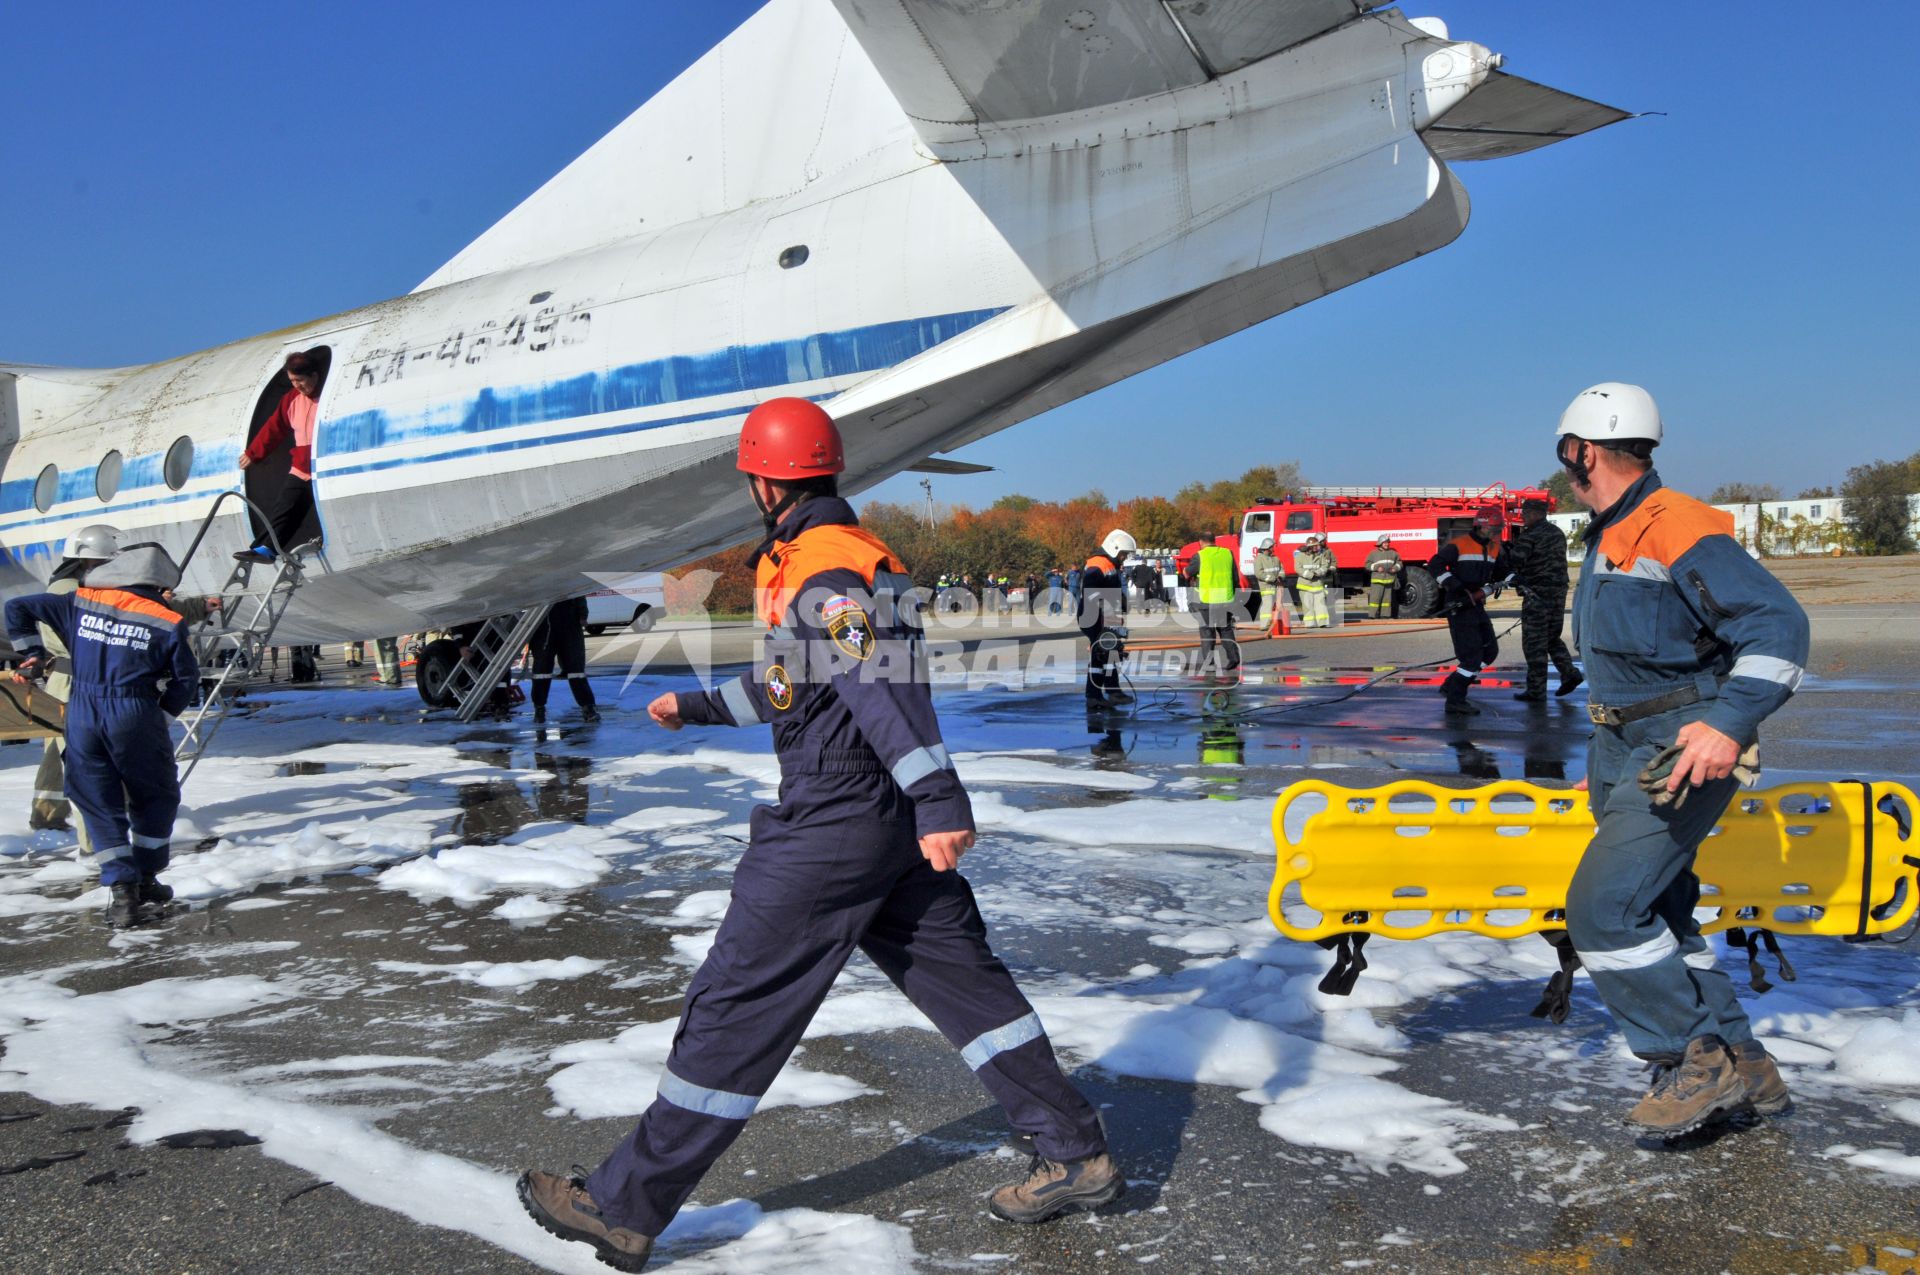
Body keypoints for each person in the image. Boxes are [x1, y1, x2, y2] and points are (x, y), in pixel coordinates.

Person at [517, 400, 1120, 1270]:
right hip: (881, 823)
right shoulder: (837, 559)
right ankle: (1076, 1151)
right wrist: (689, 704)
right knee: (970, 991)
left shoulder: (824, 576)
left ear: (766, 480)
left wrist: (941, 795)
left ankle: (621, 1205)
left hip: (835, 821)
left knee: (735, 1005)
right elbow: (787, 685)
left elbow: (878, 682)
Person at [1554, 381, 1807, 1137]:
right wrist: (1604, 742)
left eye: (1565, 454)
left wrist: (1729, 723)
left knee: (1601, 909)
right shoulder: (1612, 529)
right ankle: (1742, 1057)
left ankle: (1691, 1058)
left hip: (1681, 748)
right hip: (1622, 744)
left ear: (1581, 450)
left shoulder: (1677, 523)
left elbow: (1779, 626)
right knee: (1661, 909)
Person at [6, 541, 199, 927]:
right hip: (135, 712)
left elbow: (18, 608)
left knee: (96, 800)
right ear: (156, 583)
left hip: (83, 710)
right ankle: (146, 877)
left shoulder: (79, 602)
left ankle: (122, 894)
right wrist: (160, 714)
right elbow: (186, 680)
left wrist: (31, 654)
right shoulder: (166, 620)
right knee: (156, 795)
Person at [25, 524, 121, 847]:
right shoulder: (76, 590)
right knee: (84, 760)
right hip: (76, 682)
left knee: (56, 751)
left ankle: (47, 814)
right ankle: (92, 841)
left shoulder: (60, 585)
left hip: (61, 680)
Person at [236, 347, 330, 564]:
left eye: (300, 380)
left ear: (314, 376)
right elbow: (275, 427)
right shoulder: (291, 400)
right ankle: (266, 549)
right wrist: (254, 453)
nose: (297, 385)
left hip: (323, 463)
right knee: (284, 509)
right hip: (301, 467)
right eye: (292, 381)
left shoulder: (326, 398)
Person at [1428, 506, 1511, 716]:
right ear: (1480, 526)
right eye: (1493, 529)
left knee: (1490, 652)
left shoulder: (1493, 548)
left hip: (1477, 604)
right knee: (1472, 658)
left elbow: (1502, 571)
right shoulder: (1459, 545)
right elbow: (1435, 565)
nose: (1496, 533)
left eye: (1498, 529)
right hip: (1459, 604)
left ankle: (1453, 683)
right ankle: (1455, 700)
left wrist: (1514, 578)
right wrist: (1452, 584)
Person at [1506, 498, 1584, 702]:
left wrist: (1506, 551)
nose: (1522, 516)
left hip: (1537, 593)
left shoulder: (1530, 535)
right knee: (1551, 638)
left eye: (1525, 513)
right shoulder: (1556, 533)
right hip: (1557, 593)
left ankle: (1536, 690)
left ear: (1534, 513)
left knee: (1534, 643)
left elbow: (1515, 560)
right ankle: (1570, 673)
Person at [1080, 530, 1135, 702]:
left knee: (1112, 653)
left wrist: (1121, 601)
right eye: (1123, 554)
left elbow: (1111, 588)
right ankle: (1093, 696)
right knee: (1100, 654)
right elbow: (1090, 591)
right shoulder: (1098, 564)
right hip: (1094, 616)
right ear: (1114, 549)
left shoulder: (1110, 565)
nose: (1124, 558)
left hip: (1106, 616)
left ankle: (1113, 691)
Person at [529, 596, 599, 723]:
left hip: (568, 622)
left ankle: (588, 707)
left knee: (576, 670)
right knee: (541, 672)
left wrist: (582, 614)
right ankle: (539, 708)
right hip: (543, 624)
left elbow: (577, 591)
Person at [1192, 540, 1240, 679]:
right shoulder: (1227, 553)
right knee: (1225, 629)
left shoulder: (1200, 555)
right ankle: (1234, 658)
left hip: (1206, 600)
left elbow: (1188, 572)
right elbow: (1235, 577)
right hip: (1225, 598)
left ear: (1201, 542)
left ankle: (1210, 663)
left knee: (1207, 632)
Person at [1293, 533, 1337, 629]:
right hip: (1305, 585)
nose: (1317, 547)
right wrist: (1310, 575)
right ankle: (1309, 623)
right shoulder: (1300, 556)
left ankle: (1323, 622)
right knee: (1308, 606)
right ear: (1310, 547)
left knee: (1321, 605)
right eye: (1315, 546)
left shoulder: (1320, 555)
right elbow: (1298, 569)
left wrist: (1318, 573)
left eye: (1317, 545)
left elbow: (1324, 566)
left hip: (1317, 584)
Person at [1364, 534, 1402, 619]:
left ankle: (1385, 615)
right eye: (1385, 543)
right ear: (1380, 543)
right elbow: (1367, 565)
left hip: (1389, 580)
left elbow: (1399, 563)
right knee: (1375, 599)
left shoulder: (1393, 553)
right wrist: (1377, 568)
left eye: (1388, 542)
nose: (1387, 544)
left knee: (1387, 600)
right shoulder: (1373, 554)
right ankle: (1372, 615)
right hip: (1377, 580)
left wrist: (1395, 568)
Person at [1252, 542, 1282, 627]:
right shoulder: (1259, 559)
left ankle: (1274, 625)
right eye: (1272, 547)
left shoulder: (1275, 558)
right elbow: (1259, 573)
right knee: (1267, 605)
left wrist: (1280, 576)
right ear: (1267, 547)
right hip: (1266, 586)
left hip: (1276, 586)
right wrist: (1272, 579)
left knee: (1276, 606)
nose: (1273, 548)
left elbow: (1281, 569)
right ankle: (1265, 625)